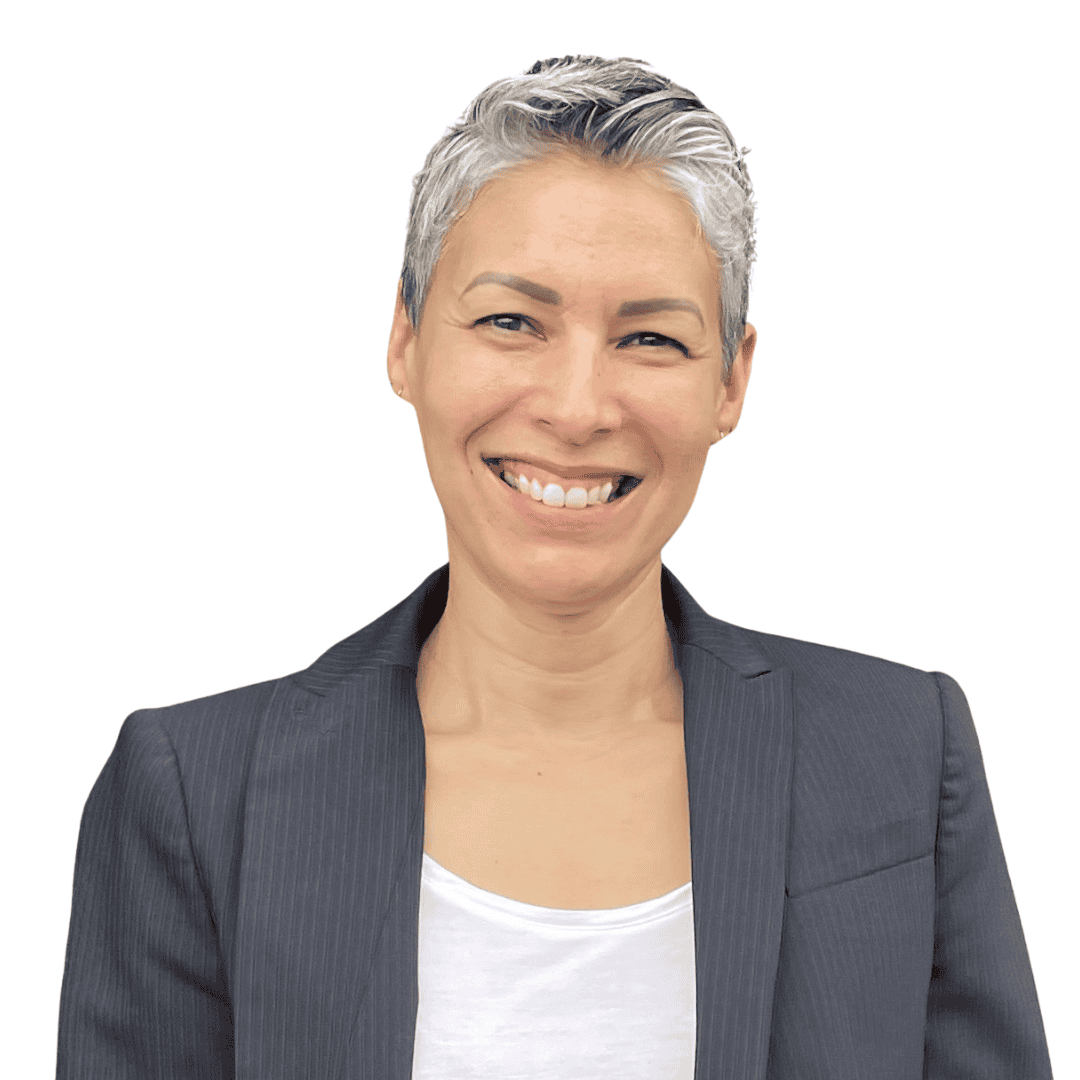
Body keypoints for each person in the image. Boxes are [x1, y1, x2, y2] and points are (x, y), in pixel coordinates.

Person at [56, 55, 1053, 1080]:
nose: (578, 408)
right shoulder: (197, 792)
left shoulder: (896, 751)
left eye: (652, 337)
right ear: (405, 339)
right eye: (509, 321)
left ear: (730, 379)